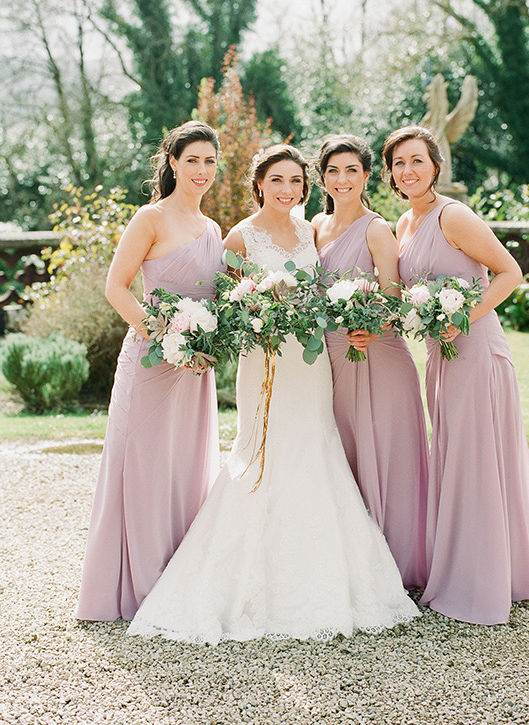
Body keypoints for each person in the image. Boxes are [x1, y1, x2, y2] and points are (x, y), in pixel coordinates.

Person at [127, 144, 420, 644]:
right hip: (262, 360)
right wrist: (257, 313)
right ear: (258, 183)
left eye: (296, 182)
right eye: (277, 180)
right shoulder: (239, 236)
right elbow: (227, 304)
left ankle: (323, 573)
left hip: (310, 364)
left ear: (305, 189)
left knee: (314, 443)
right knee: (259, 453)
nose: (288, 190)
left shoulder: (311, 230)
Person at [386, 125, 529, 625]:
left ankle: (480, 585)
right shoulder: (404, 223)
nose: (408, 171)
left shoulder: (454, 215)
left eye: (417, 161)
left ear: (435, 166)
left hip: (475, 350)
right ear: (389, 173)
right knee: (455, 456)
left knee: (475, 459)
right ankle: (467, 570)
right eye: (399, 163)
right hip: (440, 357)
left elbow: (510, 272)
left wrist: (460, 318)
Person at [77, 121, 224, 622]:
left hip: (196, 369)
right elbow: (116, 287)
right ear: (173, 162)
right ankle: (134, 582)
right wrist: (161, 334)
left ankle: (178, 577)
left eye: (209, 161)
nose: (201, 171)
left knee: (184, 466)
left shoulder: (213, 230)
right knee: (141, 464)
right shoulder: (150, 218)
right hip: (152, 362)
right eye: (192, 160)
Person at [312, 134, 429, 589]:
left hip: (377, 354)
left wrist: (373, 323)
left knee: (389, 456)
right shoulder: (315, 227)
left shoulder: (378, 228)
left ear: (366, 177)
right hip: (334, 360)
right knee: (347, 456)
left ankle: (400, 569)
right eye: (334, 171)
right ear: (322, 177)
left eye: (352, 171)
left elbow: (393, 294)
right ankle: (357, 567)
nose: (343, 180)